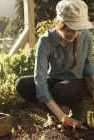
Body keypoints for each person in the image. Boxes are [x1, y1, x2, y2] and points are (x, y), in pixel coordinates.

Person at [15, 0, 93, 130]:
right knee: (22, 84)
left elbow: (87, 64)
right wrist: (62, 117)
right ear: (59, 24)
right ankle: (56, 115)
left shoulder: (87, 36)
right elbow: (40, 80)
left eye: (78, 30)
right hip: (54, 80)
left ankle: (78, 110)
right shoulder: (46, 40)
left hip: (76, 83)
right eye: (69, 31)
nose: (74, 36)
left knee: (62, 91)